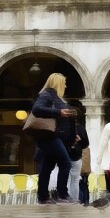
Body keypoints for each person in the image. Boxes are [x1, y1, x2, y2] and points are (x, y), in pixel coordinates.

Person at [31, 73, 75, 205]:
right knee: (66, 163)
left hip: (57, 137)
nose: (66, 85)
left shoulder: (57, 97)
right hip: (50, 136)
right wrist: (58, 112)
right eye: (64, 82)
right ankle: (62, 195)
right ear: (58, 83)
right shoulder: (47, 94)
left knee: (48, 166)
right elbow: (37, 109)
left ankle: (43, 196)